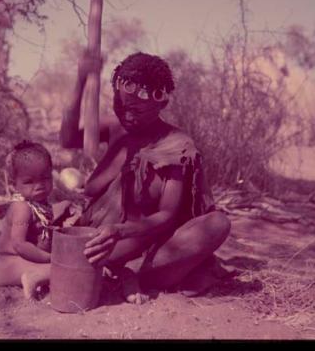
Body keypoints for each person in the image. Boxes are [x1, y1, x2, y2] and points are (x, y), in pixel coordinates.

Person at [60, 50, 231, 303]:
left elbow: (167, 216)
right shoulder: (117, 128)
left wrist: (119, 231)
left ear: (161, 103)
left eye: (138, 111)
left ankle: (131, 272)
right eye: (122, 106)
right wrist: (82, 79)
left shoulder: (177, 146)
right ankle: (116, 271)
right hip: (96, 241)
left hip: (145, 248)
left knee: (218, 223)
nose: (128, 116)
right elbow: (67, 139)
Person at [0, 140, 55, 299]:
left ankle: (40, 274)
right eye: (29, 181)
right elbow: (19, 245)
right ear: (15, 185)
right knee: (63, 269)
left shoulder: (40, 205)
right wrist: (49, 258)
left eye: (45, 178)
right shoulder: (22, 208)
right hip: (10, 264)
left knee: (65, 266)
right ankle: (34, 276)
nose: (39, 185)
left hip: (25, 261)